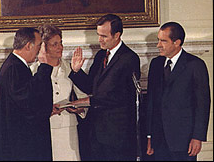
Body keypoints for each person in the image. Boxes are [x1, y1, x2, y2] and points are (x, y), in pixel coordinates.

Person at [68, 13, 141, 161]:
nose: (99, 39)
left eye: (104, 36)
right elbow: (91, 86)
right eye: (98, 35)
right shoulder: (101, 55)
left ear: (117, 35)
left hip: (118, 137)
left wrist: (86, 102)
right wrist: (76, 71)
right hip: (97, 133)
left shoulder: (130, 58)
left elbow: (122, 97)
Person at [146, 21, 211, 161]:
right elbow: (151, 102)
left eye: (163, 41)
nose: (158, 45)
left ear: (177, 42)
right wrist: (149, 136)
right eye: (158, 40)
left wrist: (197, 137)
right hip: (159, 140)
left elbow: (202, 104)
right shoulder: (155, 64)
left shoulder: (195, 65)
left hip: (184, 140)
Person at [0, 27, 56, 161]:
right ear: (28, 46)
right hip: (22, 143)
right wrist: (44, 67)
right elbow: (28, 101)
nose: (40, 50)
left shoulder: (16, 65)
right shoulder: (14, 68)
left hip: (21, 139)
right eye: (39, 46)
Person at [30, 24, 88, 161]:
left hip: (69, 130)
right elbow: (29, 104)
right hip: (45, 128)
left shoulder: (70, 67)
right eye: (54, 44)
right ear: (44, 47)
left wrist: (79, 108)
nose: (60, 47)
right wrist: (46, 110)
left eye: (60, 43)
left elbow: (84, 96)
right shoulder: (34, 71)